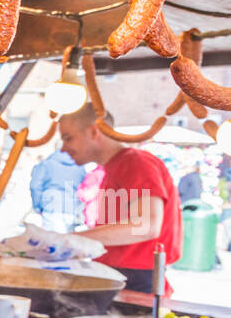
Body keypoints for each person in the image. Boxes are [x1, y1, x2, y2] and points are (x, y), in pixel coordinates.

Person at [58, 105, 181, 295]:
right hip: (119, 274)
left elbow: (146, 226)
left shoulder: (136, 162)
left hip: (136, 280)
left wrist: (69, 240)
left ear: (93, 132)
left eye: (68, 138)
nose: (64, 148)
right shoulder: (114, 168)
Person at [29, 149, 86, 232]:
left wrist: (37, 207)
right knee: (66, 242)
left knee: (52, 241)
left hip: (51, 208)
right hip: (72, 210)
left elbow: (35, 186)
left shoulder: (46, 164)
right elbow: (83, 188)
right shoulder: (80, 167)